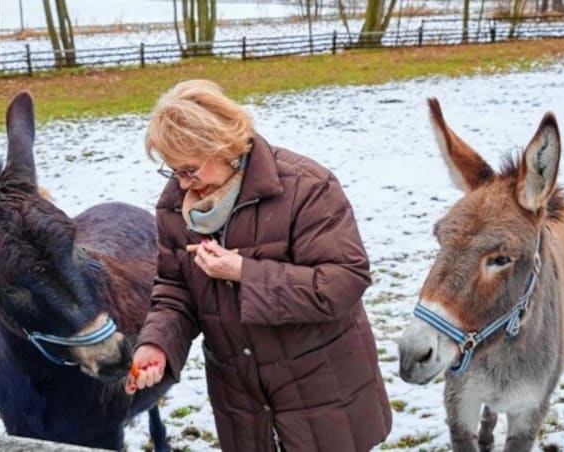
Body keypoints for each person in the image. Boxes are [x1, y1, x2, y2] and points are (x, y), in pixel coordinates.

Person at [126, 79, 391, 452]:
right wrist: (157, 344)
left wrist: (245, 272)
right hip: (243, 400)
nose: (184, 184)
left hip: (322, 393)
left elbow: (344, 281)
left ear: (223, 147)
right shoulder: (174, 208)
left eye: (190, 170)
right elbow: (175, 291)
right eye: (174, 172)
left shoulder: (306, 187)